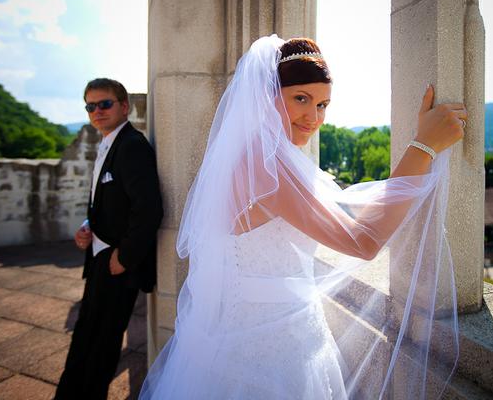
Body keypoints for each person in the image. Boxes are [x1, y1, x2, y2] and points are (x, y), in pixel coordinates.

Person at [140, 36, 466, 399]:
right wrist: (423, 147)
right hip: (265, 349)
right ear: (266, 96)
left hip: (271, 330)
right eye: (301, 99)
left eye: (323, 104)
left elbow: (346, 219)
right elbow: (363, 241)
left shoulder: (258, 156)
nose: (314, 118)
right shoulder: (265, 166)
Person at [56, 78, 163, 399]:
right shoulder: (108, 143)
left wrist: (124, 258)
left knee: (101, 344)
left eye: (105, 104)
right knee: (86, 335)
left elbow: (149, 209)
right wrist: (88, 225)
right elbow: (110, 200)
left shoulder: (131, 146)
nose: (97, 111)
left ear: (124, 106)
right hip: (99, 255)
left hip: (116, 263)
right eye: (90, 106)